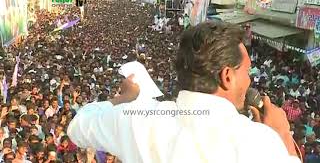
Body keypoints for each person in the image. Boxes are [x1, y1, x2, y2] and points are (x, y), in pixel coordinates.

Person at [67, 22, 301, 162]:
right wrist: (283, 137)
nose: (250, 80)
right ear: (227, 76)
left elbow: (79, 126)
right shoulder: (258, 142)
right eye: (247, 71)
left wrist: (123, 100)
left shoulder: (138, 121)